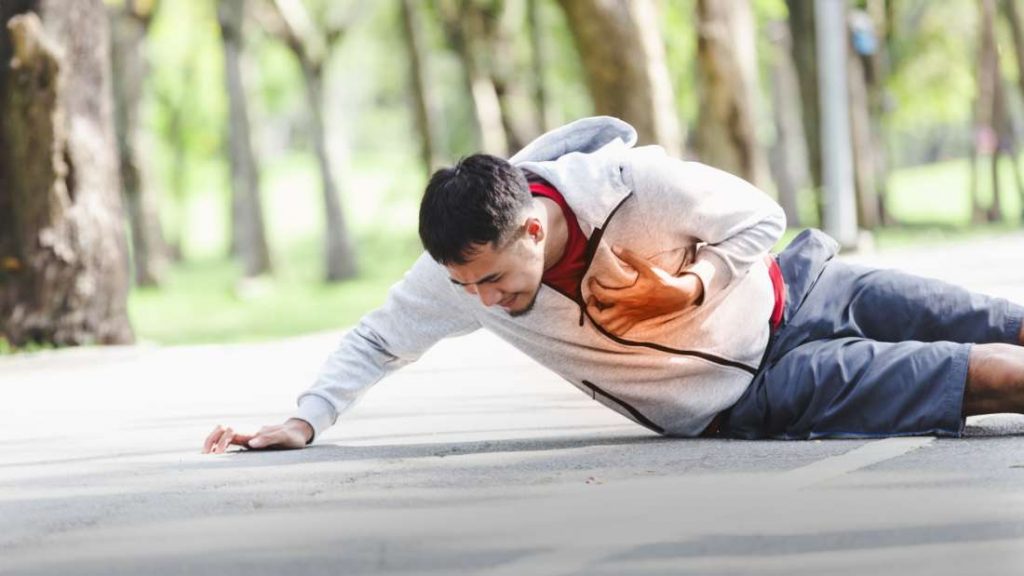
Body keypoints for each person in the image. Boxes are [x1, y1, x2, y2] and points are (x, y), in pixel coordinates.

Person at [203, 116, 1024, 454]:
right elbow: (377, 338)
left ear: (531, 226)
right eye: (465, 287)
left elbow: (759, 216)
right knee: (993, 374)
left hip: (801, 286)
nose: (480, 301)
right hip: (757, 390)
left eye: (490, 279)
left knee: (1002, 319)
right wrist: (303, 422)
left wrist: (692, 287)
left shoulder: (632, 183)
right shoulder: (459, 276)